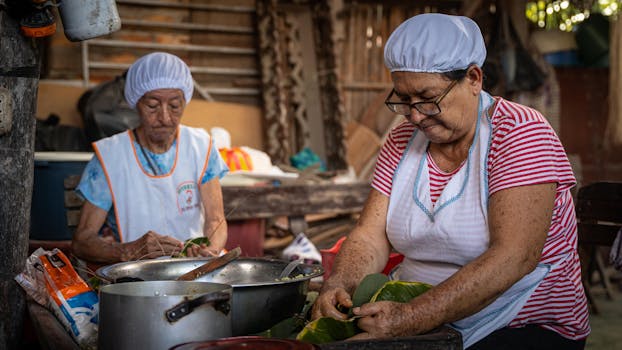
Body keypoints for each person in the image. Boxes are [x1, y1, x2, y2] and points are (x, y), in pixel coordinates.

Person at [312, 13, 590, 349]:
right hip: (425, 322)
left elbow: (513, 257)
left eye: (427, 98)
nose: (414, 115)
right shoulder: (401, 140)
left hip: (518, 322)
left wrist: (411, 318)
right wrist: (338, 284)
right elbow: (371, 236)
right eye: (403, 99)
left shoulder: (518, 132)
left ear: (473, 79)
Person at [72, 52, 229, 264]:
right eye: (153, 105)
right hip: (138, 279)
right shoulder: (112, 156)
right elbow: (82, 242)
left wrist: (210, 250)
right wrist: (130, 251)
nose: (164, 118)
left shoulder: (201, 146)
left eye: (174, 105)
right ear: (136, 102)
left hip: (194, 270)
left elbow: (216, 220)